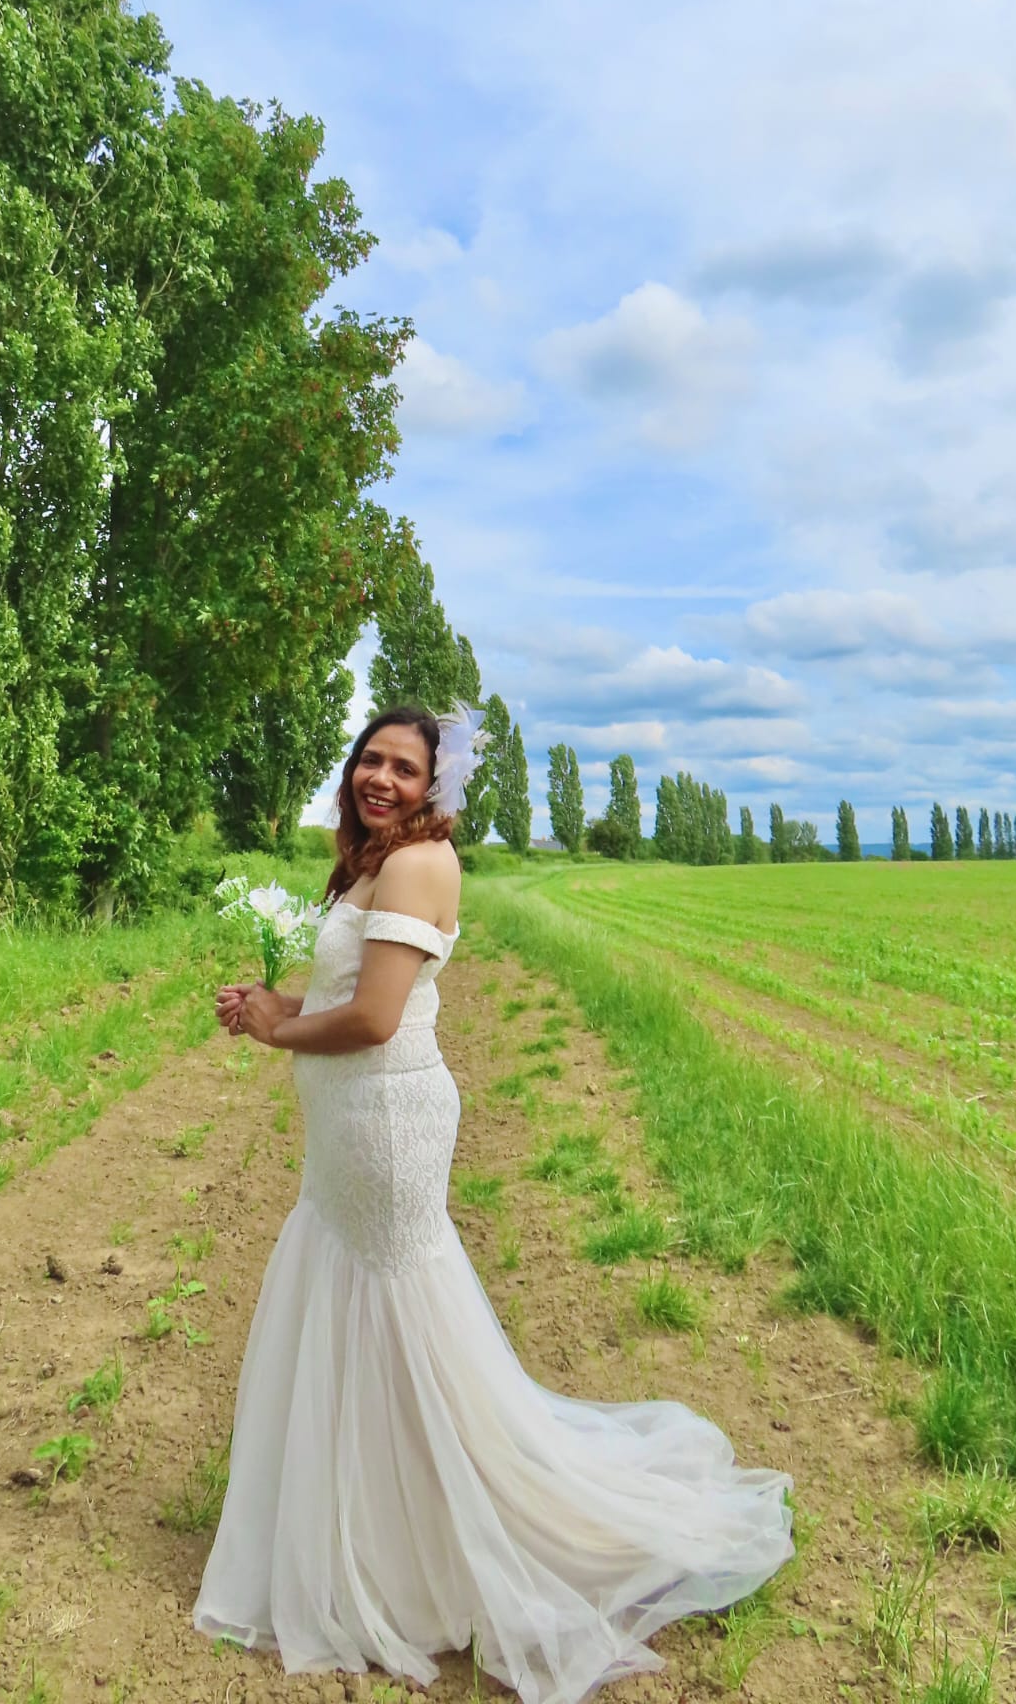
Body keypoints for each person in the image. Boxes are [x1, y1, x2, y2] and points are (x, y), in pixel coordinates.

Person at [193, 703, 793, 1703]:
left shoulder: (421, 863)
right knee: (367, 1312)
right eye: (370, 759)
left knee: (397, 1314)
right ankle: (383, 1529)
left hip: (387, 1125)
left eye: (404, 767)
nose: (381, 778)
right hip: (345, 1129)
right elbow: (341, 998)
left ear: (433, 786)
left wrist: (274, 1034)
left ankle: (448, 1538)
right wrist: (274, 1005)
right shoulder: (368, 862)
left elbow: (376, 1019)